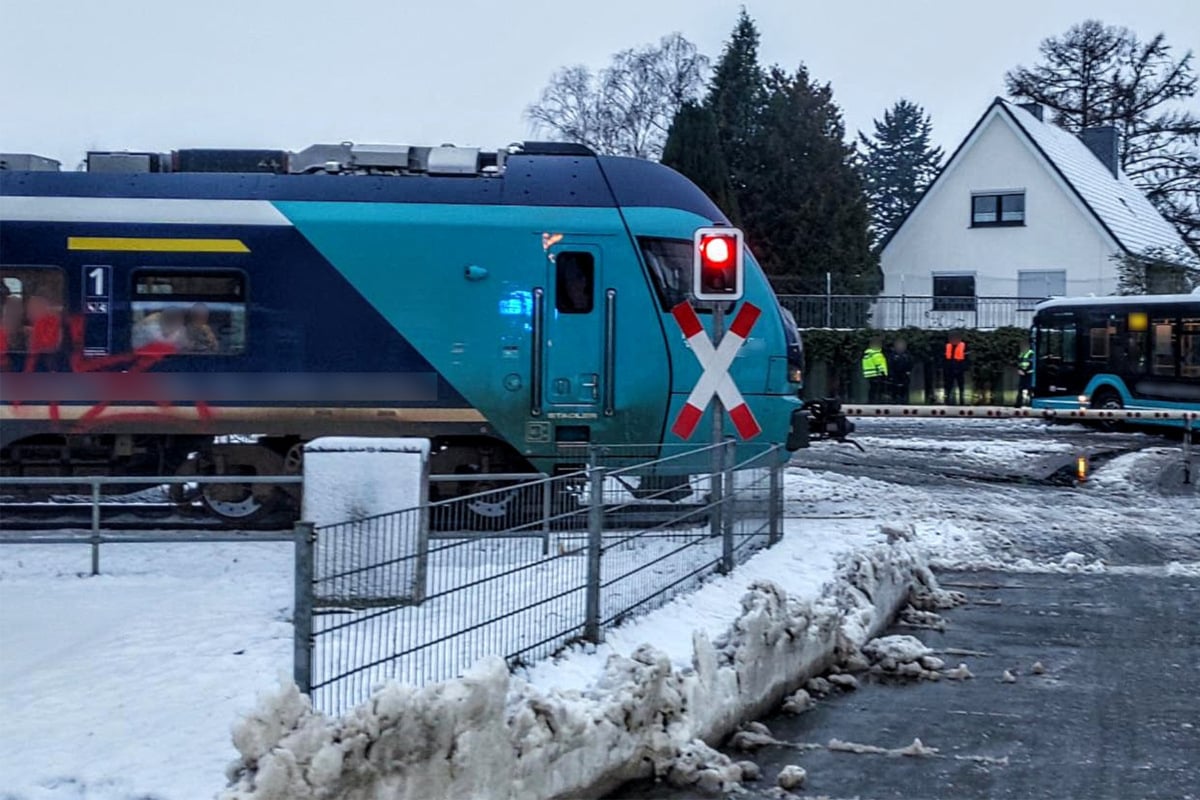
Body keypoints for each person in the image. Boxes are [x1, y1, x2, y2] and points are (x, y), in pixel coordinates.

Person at [861, 336, 889, 403]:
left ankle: (871, 400)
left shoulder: (867, 354)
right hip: (877, 374)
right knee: (877, 389)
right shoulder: (876, 354)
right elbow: (879, 364)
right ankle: (877, 401)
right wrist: (883, 372)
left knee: (872, 389)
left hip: (869, 374)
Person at [944, 330, 968, 405]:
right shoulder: (947, 346)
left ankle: (962, 399)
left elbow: (966, 358)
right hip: (949, 369)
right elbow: (944, 358)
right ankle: (947, 399)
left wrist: (963, 368)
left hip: (959, 368)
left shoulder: (963, 346)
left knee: (961, 385)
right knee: (949, 385)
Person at [887, 338, 914, 404]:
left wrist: (908, 371)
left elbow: (911, 363)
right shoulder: (893, 355)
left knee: (904, 389)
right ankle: (894, 400)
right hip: (895, 375)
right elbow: (890, 364)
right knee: (894, 388)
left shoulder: (907, 355)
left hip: (904, 375)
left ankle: (904, 401)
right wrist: (891, 374)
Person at [1015, 337, 1034, 408]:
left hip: (1029, 373)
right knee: (1020, 388)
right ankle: (1018, 404)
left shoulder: (1032, 353)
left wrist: (1025, 371)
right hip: (1022, 373)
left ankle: (1031, 403)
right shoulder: (1022, 353)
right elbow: (1019, 362)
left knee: (1030, 389)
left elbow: (1032, 363)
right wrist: (1019, 369)